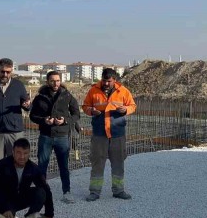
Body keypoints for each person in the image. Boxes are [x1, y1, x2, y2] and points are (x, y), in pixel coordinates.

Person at [82, 68, 136, 201]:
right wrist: (91, 110)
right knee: (97, 163)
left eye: (109, 81)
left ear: (115, 80)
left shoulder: (123, 91)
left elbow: (133, 106)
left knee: (118, 163)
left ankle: (118, 190)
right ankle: (95, 191)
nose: (106, 84)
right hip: (99, 134)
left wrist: (126, 109)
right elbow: (85, 106)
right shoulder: (93, 90)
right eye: (104, 81)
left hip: (117, 134)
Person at [29, 70, 80, 204]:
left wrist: (65, 121)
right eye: (52, 81)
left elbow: (76, 114)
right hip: (45, 136)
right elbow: (32, 116)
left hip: (62, 136)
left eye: (58, 80)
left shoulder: (67, 95)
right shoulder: (40, 97)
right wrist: (44, 120)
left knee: (63, 166)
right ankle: (42, 192)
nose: (56, 83)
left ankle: (66, 192)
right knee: (42, 166)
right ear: (47, 81)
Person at [0, 138, 54, 218]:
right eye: (19, 153)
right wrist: (5, 208)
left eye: (25, 153)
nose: (22, 157)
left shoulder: (33, 168)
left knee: (41, 193)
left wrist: (49, 214)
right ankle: (5, 214)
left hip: (19, 197)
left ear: (29, 153)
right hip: (3, 200)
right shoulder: (2, 165)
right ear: (13, 152)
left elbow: (46, 190)